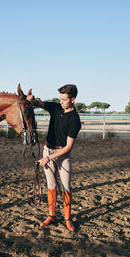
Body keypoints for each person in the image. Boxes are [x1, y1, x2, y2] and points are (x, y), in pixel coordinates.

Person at [27, 84, 81, 232]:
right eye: (60, 99)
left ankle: (68, 219)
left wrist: (48, 158)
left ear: (73, 99)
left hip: (63, 155)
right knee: (51, 185)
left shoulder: (75, 120)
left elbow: (68, 147)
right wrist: (31, 99)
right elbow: (37, 103)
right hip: (48, 149)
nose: (61, 102)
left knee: (66, 187)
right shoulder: (56, 108)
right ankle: (51, 215)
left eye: (64, 99)